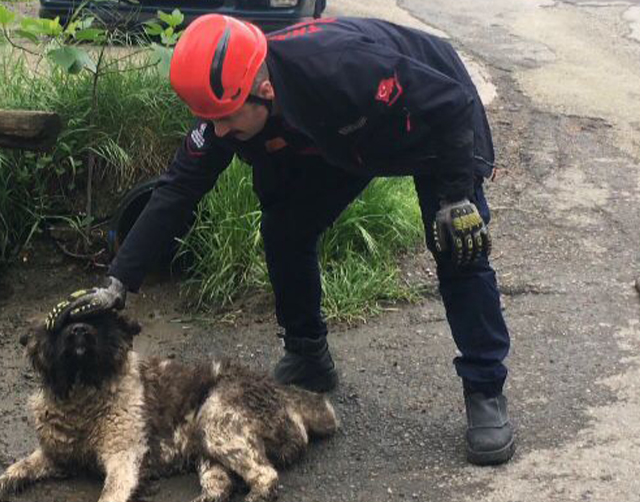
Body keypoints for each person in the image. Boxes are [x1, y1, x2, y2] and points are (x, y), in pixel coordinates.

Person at [46, 14, 513, 465]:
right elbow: (176, 189)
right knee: (285, 227)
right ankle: (308, 354)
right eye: (210, 120)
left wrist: (456, 197)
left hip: (431, 122)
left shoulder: (340, 67)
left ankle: (485, 388)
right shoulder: (229, 103)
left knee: (457, 245)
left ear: (264, 90)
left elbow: (451, 102)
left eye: (226, 119)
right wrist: (117, 283)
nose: (219, 131)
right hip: (340, 136)